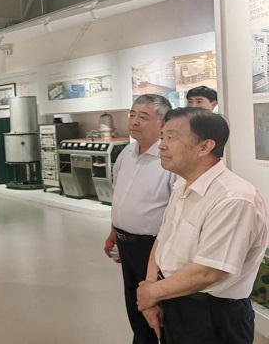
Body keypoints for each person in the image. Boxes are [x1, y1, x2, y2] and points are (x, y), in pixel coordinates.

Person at [136, 108, 268, 344]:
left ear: (205, 146)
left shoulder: (234, 198)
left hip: (212, 315)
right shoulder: (183, 185)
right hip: (172, 298)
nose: (161, 145)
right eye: (163, 136)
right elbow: (163, 240)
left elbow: (209, 271)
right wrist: (151, 289)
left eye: (171, 137)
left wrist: (150, 293)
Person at [104, 94, 175, 344]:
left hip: (155, 248)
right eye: (132, 114)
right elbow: (120, 194)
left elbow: (177, 210)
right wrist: (114, 231)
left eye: (143, 117)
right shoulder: (127, 153)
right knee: (135, 307)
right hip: (126, 245)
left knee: (158, 311)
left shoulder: (169, 158)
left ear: (162, 123)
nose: (134, 121)